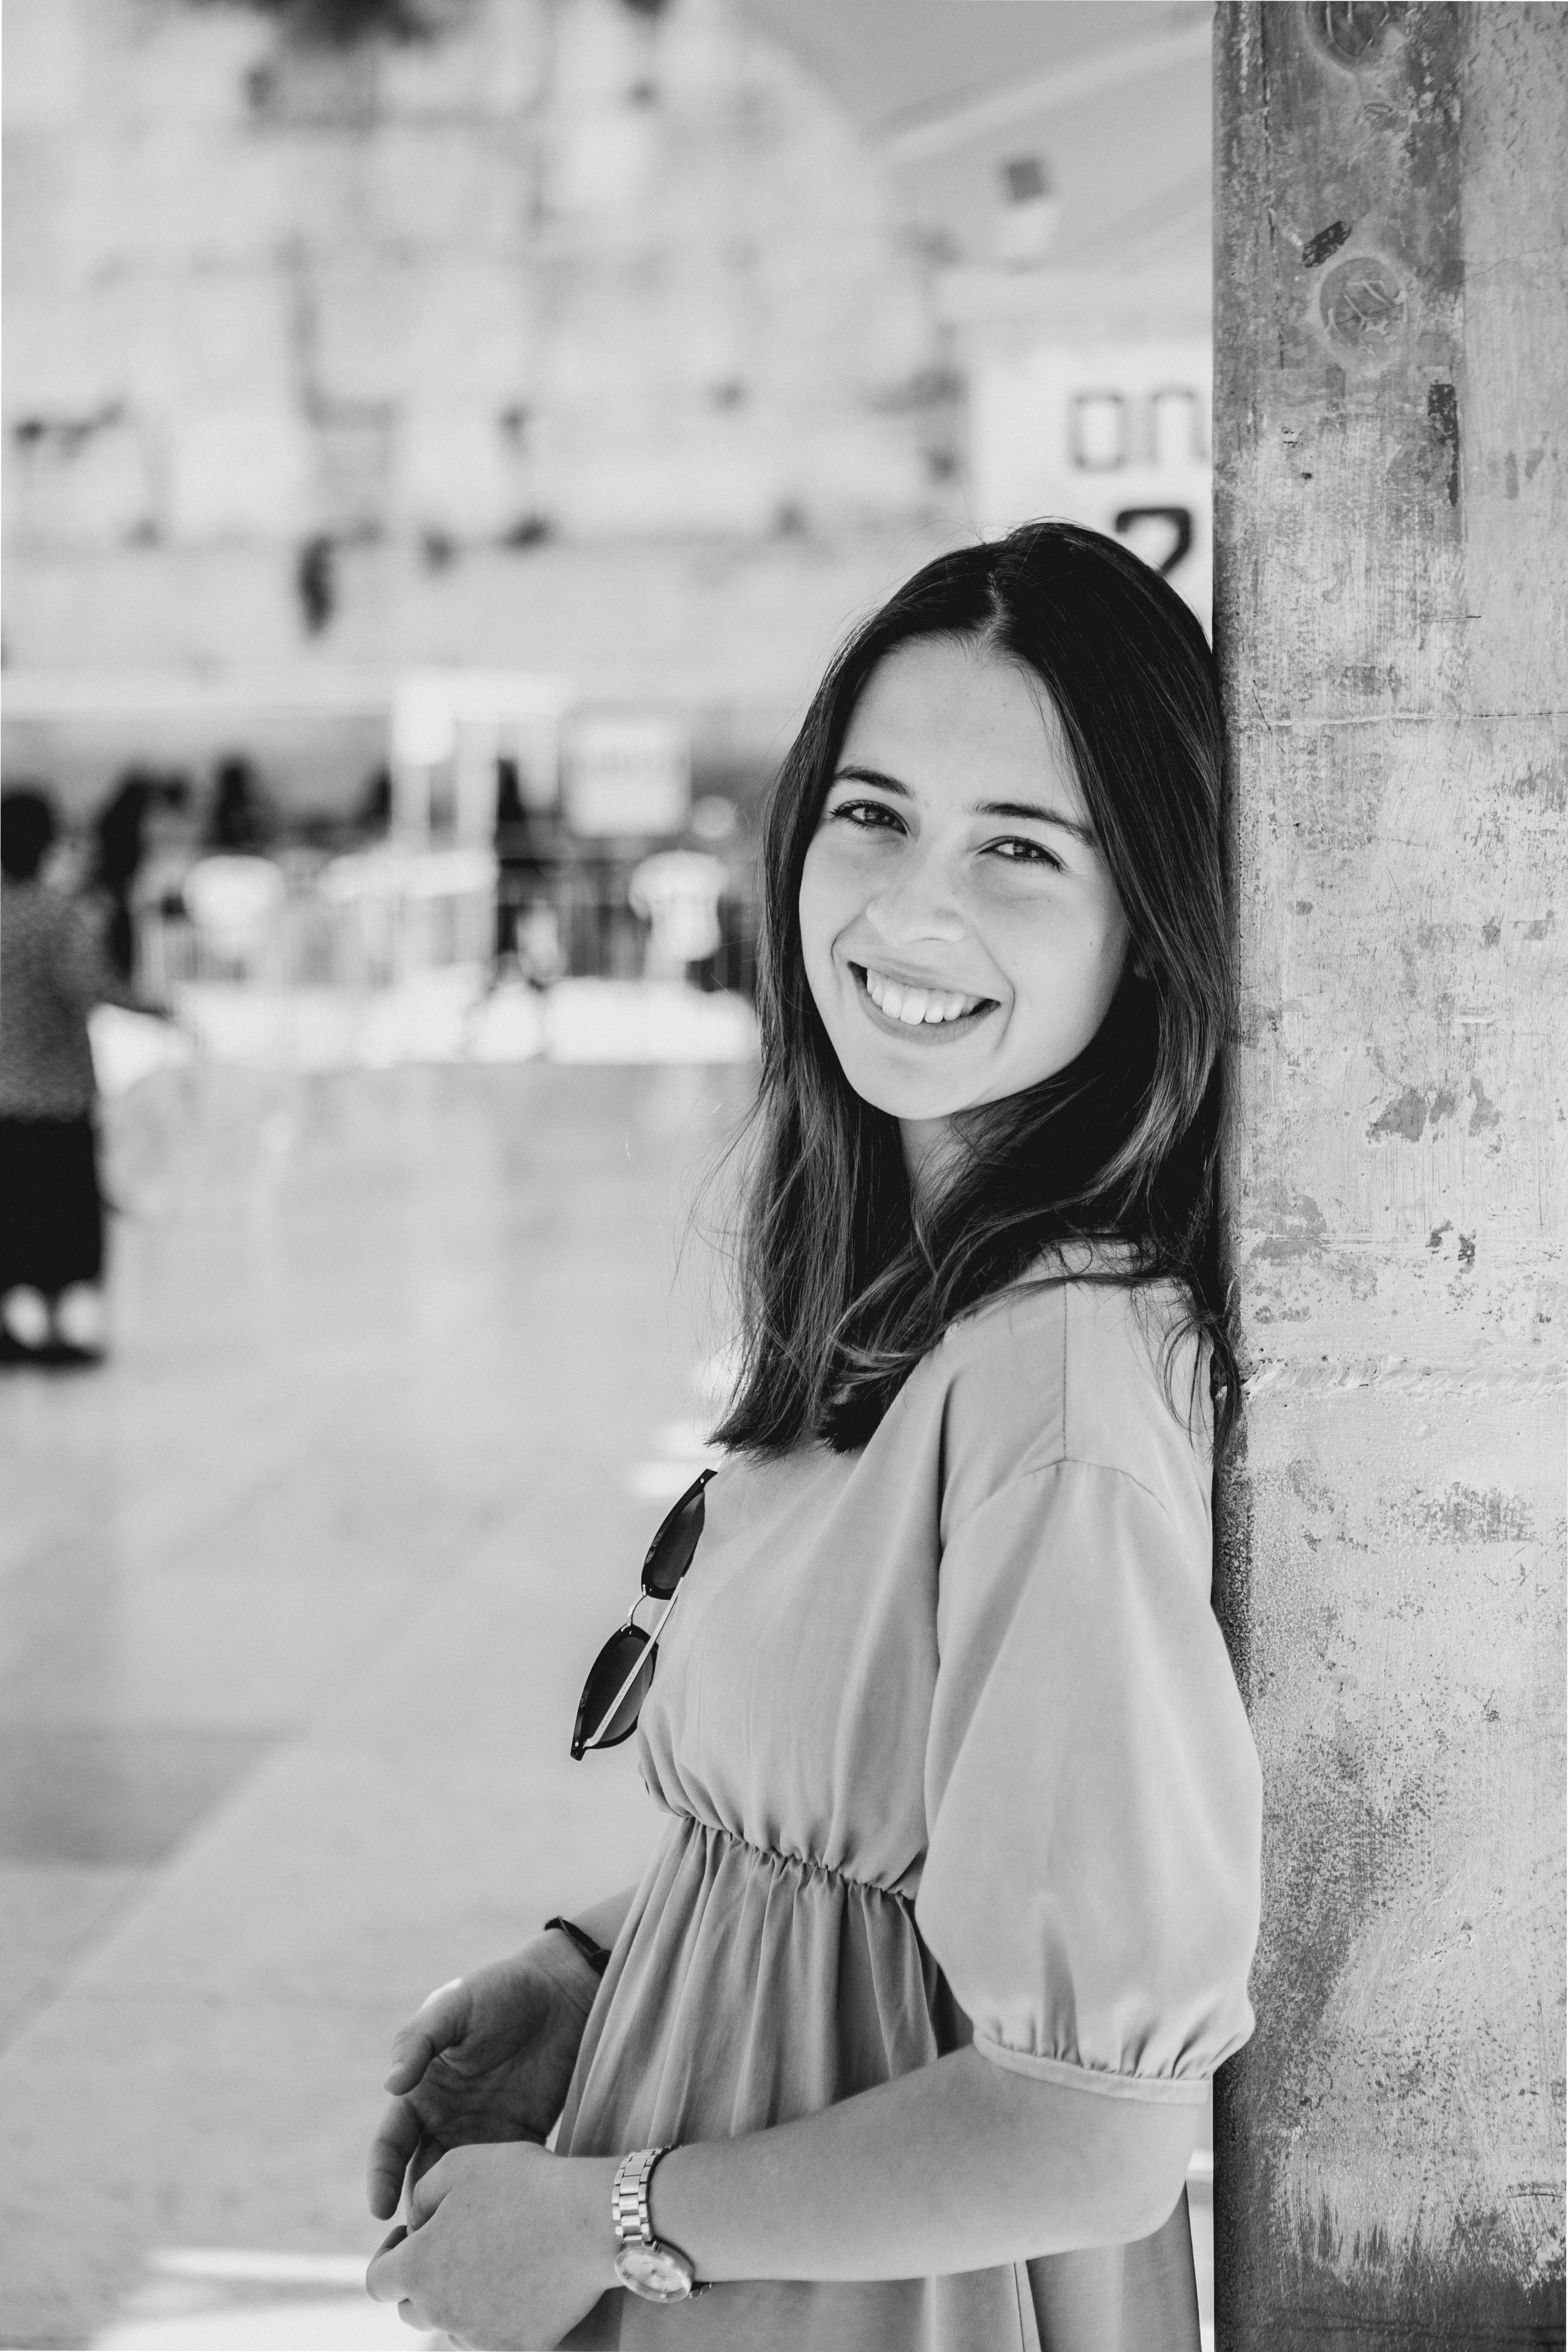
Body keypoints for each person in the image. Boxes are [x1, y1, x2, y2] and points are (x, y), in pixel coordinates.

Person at [364, 522, 1263, 2351]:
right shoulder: (908, 1297)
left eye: (1020, 848)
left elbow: (1082, 2131)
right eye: (872, 814)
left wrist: (594, 2222)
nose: (908, 911)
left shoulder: (1059, 1388)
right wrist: (602, 1964)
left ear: (1150, 921)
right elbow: (891, 1854)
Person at [0, 785, 156, 1364]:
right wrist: (160, 1009)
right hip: (58, 1098)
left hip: (4, 1096)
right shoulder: (57, 914)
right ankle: (63, 1331)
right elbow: (93, 986)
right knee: (61, 1218)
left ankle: (15, 1330)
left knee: (12, 1215)